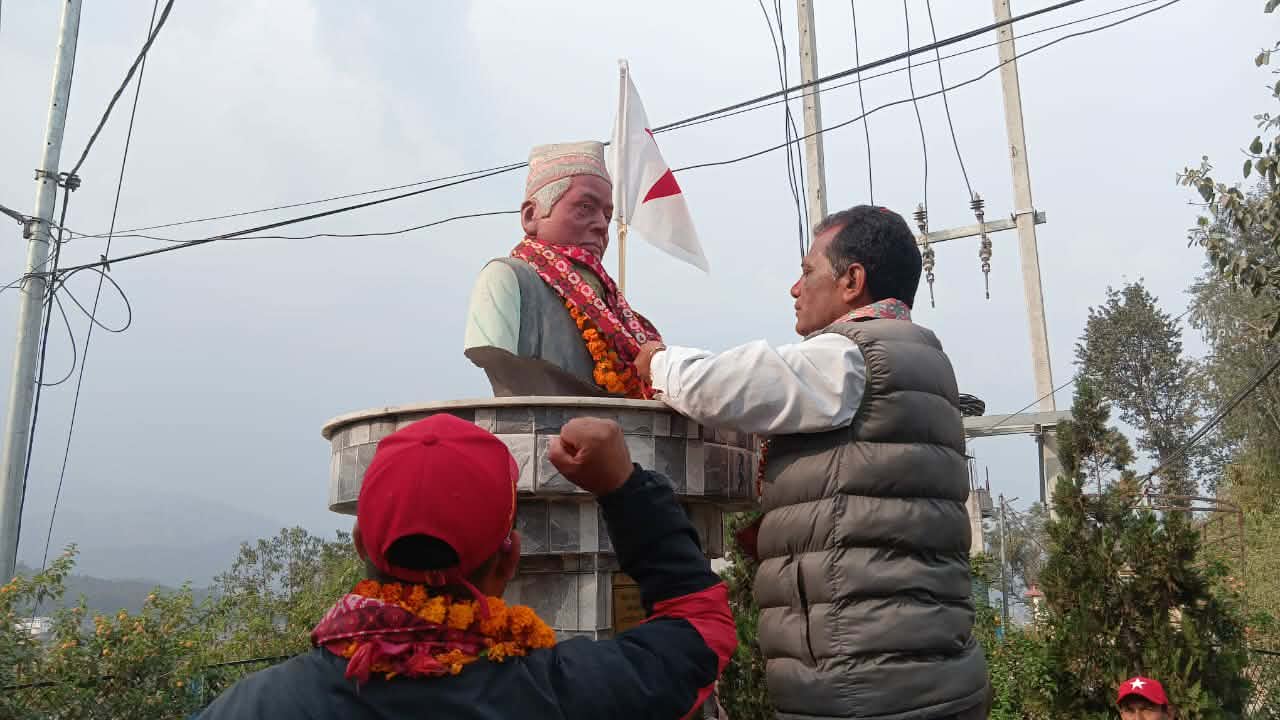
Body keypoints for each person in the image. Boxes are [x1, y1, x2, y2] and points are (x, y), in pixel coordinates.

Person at [635, 205, 989, 719]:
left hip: (865, 683)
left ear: (852, 281)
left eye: (806, 272)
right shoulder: (920, 358)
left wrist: (659, 363)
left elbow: (722, 387)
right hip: (928, 673)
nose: (795, 289)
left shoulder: (850, 357)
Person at [197, 414, 734, 719]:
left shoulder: (250, 707)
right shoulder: (569, 696)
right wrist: (625, 488)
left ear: (362, 543)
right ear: (509, 559)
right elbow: (701, 628)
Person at [463, 141, 660, 398]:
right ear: (531, 216)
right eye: (585, 208)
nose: (602, 224)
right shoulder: (506, 278)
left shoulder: (623, 317)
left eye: (607, 215)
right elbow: (492, 351)